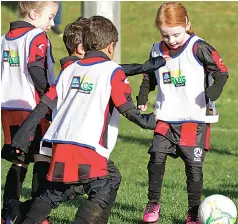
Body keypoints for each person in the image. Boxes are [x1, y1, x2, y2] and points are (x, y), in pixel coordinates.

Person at [11, 15, 167, 223]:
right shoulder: (112, 71)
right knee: (106, 184)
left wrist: (21, 136)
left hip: (60, 147)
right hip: (87, 147)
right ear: (111, 46)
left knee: (55, 192)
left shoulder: (69, 71)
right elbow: (126, 109)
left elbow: (43, 105)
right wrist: (149, 121)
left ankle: (18, 216)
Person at [136, 2, 229, 223]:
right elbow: (149, 75)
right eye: (166, 35)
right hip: (166, 116)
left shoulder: (199, 47)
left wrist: (214, 90)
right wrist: (143, 95)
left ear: (187, 24)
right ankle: (153, 203)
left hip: (194, 118)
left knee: (193, 168)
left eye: (176, 34)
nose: (172, 40)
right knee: (156, 158)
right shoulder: (157, 49)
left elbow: (222, 72)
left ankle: (194, 212)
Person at [0, 1, 59, 223]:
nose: (52, 23)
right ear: (34, 14)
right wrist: (50, 95)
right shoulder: (36, 36)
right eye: (50, 17)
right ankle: (37, 214)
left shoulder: (5, 38)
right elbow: (36, 67)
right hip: (33, 108)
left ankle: (8, 211)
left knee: (19, 159)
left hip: (7, 108)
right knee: (42, 155)